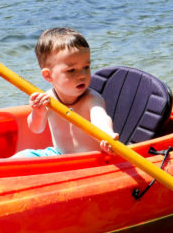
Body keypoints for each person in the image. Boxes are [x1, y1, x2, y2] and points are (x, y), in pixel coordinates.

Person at [14, 27, 118, 158]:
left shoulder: (91, 99)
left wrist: (108, 135)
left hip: (93, 157)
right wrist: (38, 112)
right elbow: (36, 128)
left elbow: (101, 118)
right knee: (22, 156)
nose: (82, 75)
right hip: (59, 155)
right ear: (48, 75)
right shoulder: (49, 99)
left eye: (86, 67)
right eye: (71, 70)